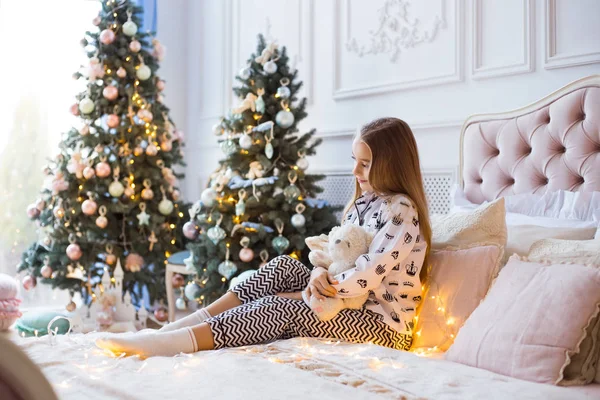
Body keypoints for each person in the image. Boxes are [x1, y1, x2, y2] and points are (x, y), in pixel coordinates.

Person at [95, 117, 432, 357]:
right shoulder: (364, 202)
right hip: (340, 298)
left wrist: (314, 289)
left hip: (382, 326)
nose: (356, 173)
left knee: (281, 308)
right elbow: (338, 251)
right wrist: (317, 272)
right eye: (355, 162)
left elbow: (367, 272)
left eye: (366, 165)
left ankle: (176, 342)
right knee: (284, 265)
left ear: (392, 165)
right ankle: (181, 326)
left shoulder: (401, 211)